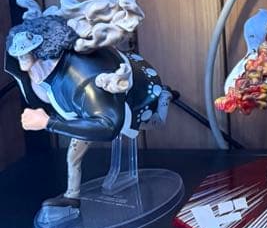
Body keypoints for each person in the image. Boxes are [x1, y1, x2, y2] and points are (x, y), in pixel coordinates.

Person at [6, 16, 170, 210]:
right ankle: (72, 197)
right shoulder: (49, 75)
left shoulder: (84, 81)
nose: (23, 62)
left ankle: (165, 97)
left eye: (26, 55)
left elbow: (108, 126)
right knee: (72, 157)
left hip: (137, 99)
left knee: (154, 121)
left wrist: (47, 123)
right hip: (86, 112)